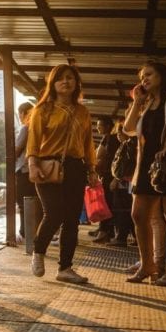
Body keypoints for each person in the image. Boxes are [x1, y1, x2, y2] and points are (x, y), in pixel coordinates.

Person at [27, 64, 98, 284]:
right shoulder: (43, 109)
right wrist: (33, 163)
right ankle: (38, 252)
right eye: (60, 79)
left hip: (76, 167)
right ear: (53, 83)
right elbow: (34, 140)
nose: (65, 82)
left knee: (71, 220)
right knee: (54, 213)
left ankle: (65, 268)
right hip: (48, 166)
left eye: (70, 78)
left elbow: (88, 143)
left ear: (76, 83)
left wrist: (92, 168)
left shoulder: (82, 112)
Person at [123, 62, 166, 285]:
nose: (144, 78)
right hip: (146, 165)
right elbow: (128, 128)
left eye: (149, 74)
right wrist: (136, 102)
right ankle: (147, 265)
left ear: (162, 76)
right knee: (138, 215)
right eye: (141, 76)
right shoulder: (145, 104)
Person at [93, 117, 119, 243]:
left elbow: (104, 157)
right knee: (105, 203)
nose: (98, 128)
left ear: (108, 126)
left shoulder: (111, 139)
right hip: (107, 174)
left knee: (106, 203)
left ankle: (105, 231)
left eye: (100, 125)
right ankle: (103, 229)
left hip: (109, 175)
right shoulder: (107, 138)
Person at [15, 102, 38, 242]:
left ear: (23, 114)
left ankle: (24, 233)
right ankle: (31, 233)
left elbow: (17, 149)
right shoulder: (36, 128)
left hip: (24, 170)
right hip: (34, 170)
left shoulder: (25, 128)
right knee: (33, 203)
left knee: (23, 203)